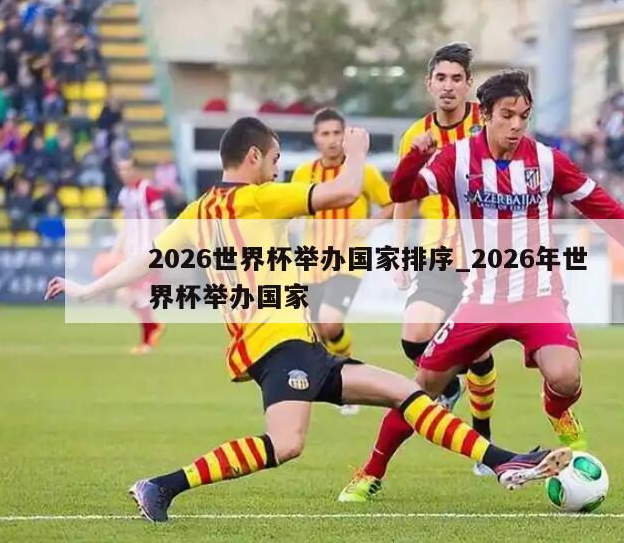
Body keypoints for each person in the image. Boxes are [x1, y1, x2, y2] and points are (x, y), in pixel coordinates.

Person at [45, 117, 572, 523]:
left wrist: (88, 289)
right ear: (253, 157)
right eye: (275, 158)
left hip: (293, 345)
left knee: (407, 393)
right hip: (280, 346)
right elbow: (343, 192)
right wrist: (359, 150)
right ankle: (160, 487)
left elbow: (148, 257)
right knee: (286, 444)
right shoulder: (257, 198)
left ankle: (502, 460)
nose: (278, 169)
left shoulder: (200, 209)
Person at [358, 69, 624, 501]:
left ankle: (557, 409)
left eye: (524, 116)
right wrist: (413, 159)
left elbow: (602, 206)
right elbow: (404, 192)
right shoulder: (456, 158)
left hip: (538, 295)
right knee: (422, 388)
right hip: (481, 298)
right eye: (507, 115)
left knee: (565, 377)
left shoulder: (547, 161)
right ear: (485, 115)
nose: (516, 125)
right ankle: (370, 472)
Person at [338, 43, 497, 503]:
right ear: (429, 84)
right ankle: (451, 387)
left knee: (479, 350)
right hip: (436, 255)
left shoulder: (486, 125)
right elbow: (404, 197)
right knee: (414, 338)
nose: (448, 87)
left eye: (456, 79)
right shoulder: (416, 135)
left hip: (484, 258)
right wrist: (400, 252)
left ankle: (482, 430)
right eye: (440, 78)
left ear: (469, 84)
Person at [291, 109, 393, 413]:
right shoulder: (303, 174)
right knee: (316, 332)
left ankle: (348, 382)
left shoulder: (363, 172)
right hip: (312, 262)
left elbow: (392, 203)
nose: (332, 140)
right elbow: (293, 208)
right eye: (326, 134)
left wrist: (372, 223)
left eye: (337, 133)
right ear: (316, 138)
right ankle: (333, 381)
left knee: (330, 321)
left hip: (350, 259)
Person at [112, 156, 167, 354]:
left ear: (136, 169)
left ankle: (147, 341)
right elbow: (127, 224)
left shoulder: (148, 190)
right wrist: (117, 248)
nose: (123, 173)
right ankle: (153, 327)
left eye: (127, 168)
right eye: (120, 169)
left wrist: (159, 248)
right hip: (132, 253)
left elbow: (161, 219)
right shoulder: (124, 194)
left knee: (140, 295)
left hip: (147, 252)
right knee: (124, 295)